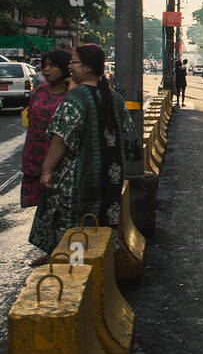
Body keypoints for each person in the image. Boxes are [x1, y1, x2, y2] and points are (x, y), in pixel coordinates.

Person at [31, 44, 139, 266]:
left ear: (88, 67)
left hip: (79, 176)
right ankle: (99, 264)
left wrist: (47, 170)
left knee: (72, 225)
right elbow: (127, 130)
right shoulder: (114, 98)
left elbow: (60, 137)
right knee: (101, 224)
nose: (71, 68)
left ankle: (70, 264)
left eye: (74, 63)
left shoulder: (77, 97)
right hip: (111, 176)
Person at [20, 49, 72, 210]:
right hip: (34, 155)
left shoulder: (71, 93)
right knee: (39, 207)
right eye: (45, 65)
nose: (46, 69)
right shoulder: (39, 91)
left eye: (52, 65)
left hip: (59, 159)